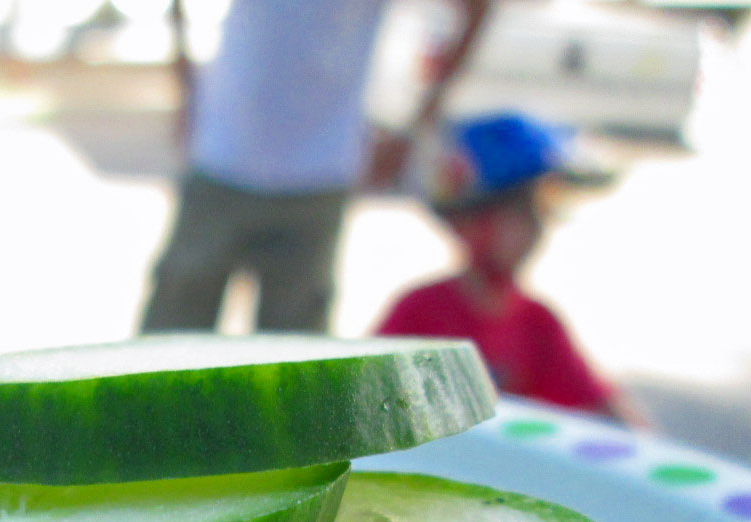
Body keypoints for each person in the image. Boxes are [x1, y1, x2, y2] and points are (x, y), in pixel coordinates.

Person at [140, 0, 492, 335]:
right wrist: (184, 80)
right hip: (222, 157)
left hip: (318, 174)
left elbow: (476, 9)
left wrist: (415, 126)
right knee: (166, 342)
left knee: (298, 367)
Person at [376, 111, 646, 425]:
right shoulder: (418, 313)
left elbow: (612, 418)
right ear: (468, 221)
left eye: (543, 211)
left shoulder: (537, 323)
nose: (537, 226)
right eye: (523, 211)